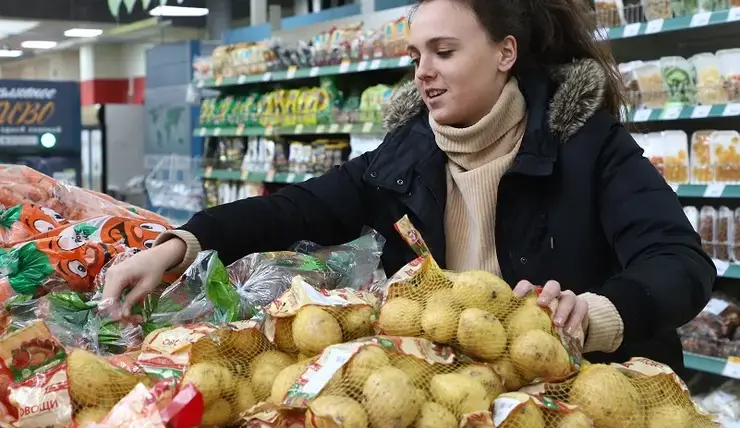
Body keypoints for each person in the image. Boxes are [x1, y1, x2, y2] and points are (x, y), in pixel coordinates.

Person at [103, 0, 715, 371]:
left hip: (589, 394)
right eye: (417, 53)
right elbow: (296, 209)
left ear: (505, 52)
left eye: (444, 51)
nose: (424, 71)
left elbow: (679, 262)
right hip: (457, 396)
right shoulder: (406, 158)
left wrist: (595, 312)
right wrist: (182, 242)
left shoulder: (587, 144)